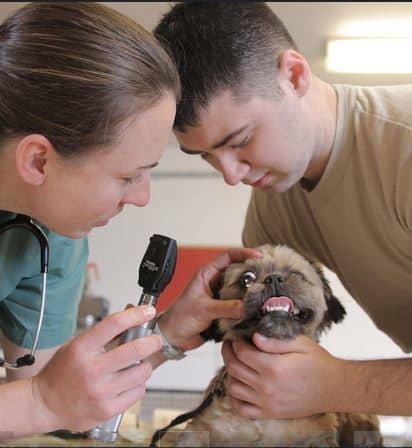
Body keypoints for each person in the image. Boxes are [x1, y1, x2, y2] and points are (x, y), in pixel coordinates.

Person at [0, 2, 261, 440]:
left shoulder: (53, 230)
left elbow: (56, 402)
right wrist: (40, 402)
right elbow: (37, 401)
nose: (142, 197)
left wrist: (165, 335)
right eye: (129, 175)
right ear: (39, 159)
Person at [154, 1, 412, 421]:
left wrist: (337, 386)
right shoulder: (273, 208)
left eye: (239, 140)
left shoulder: (403, 148)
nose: (231, 176)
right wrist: (174, 333)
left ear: (294, 76)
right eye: (206, 156)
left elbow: (321, 384)